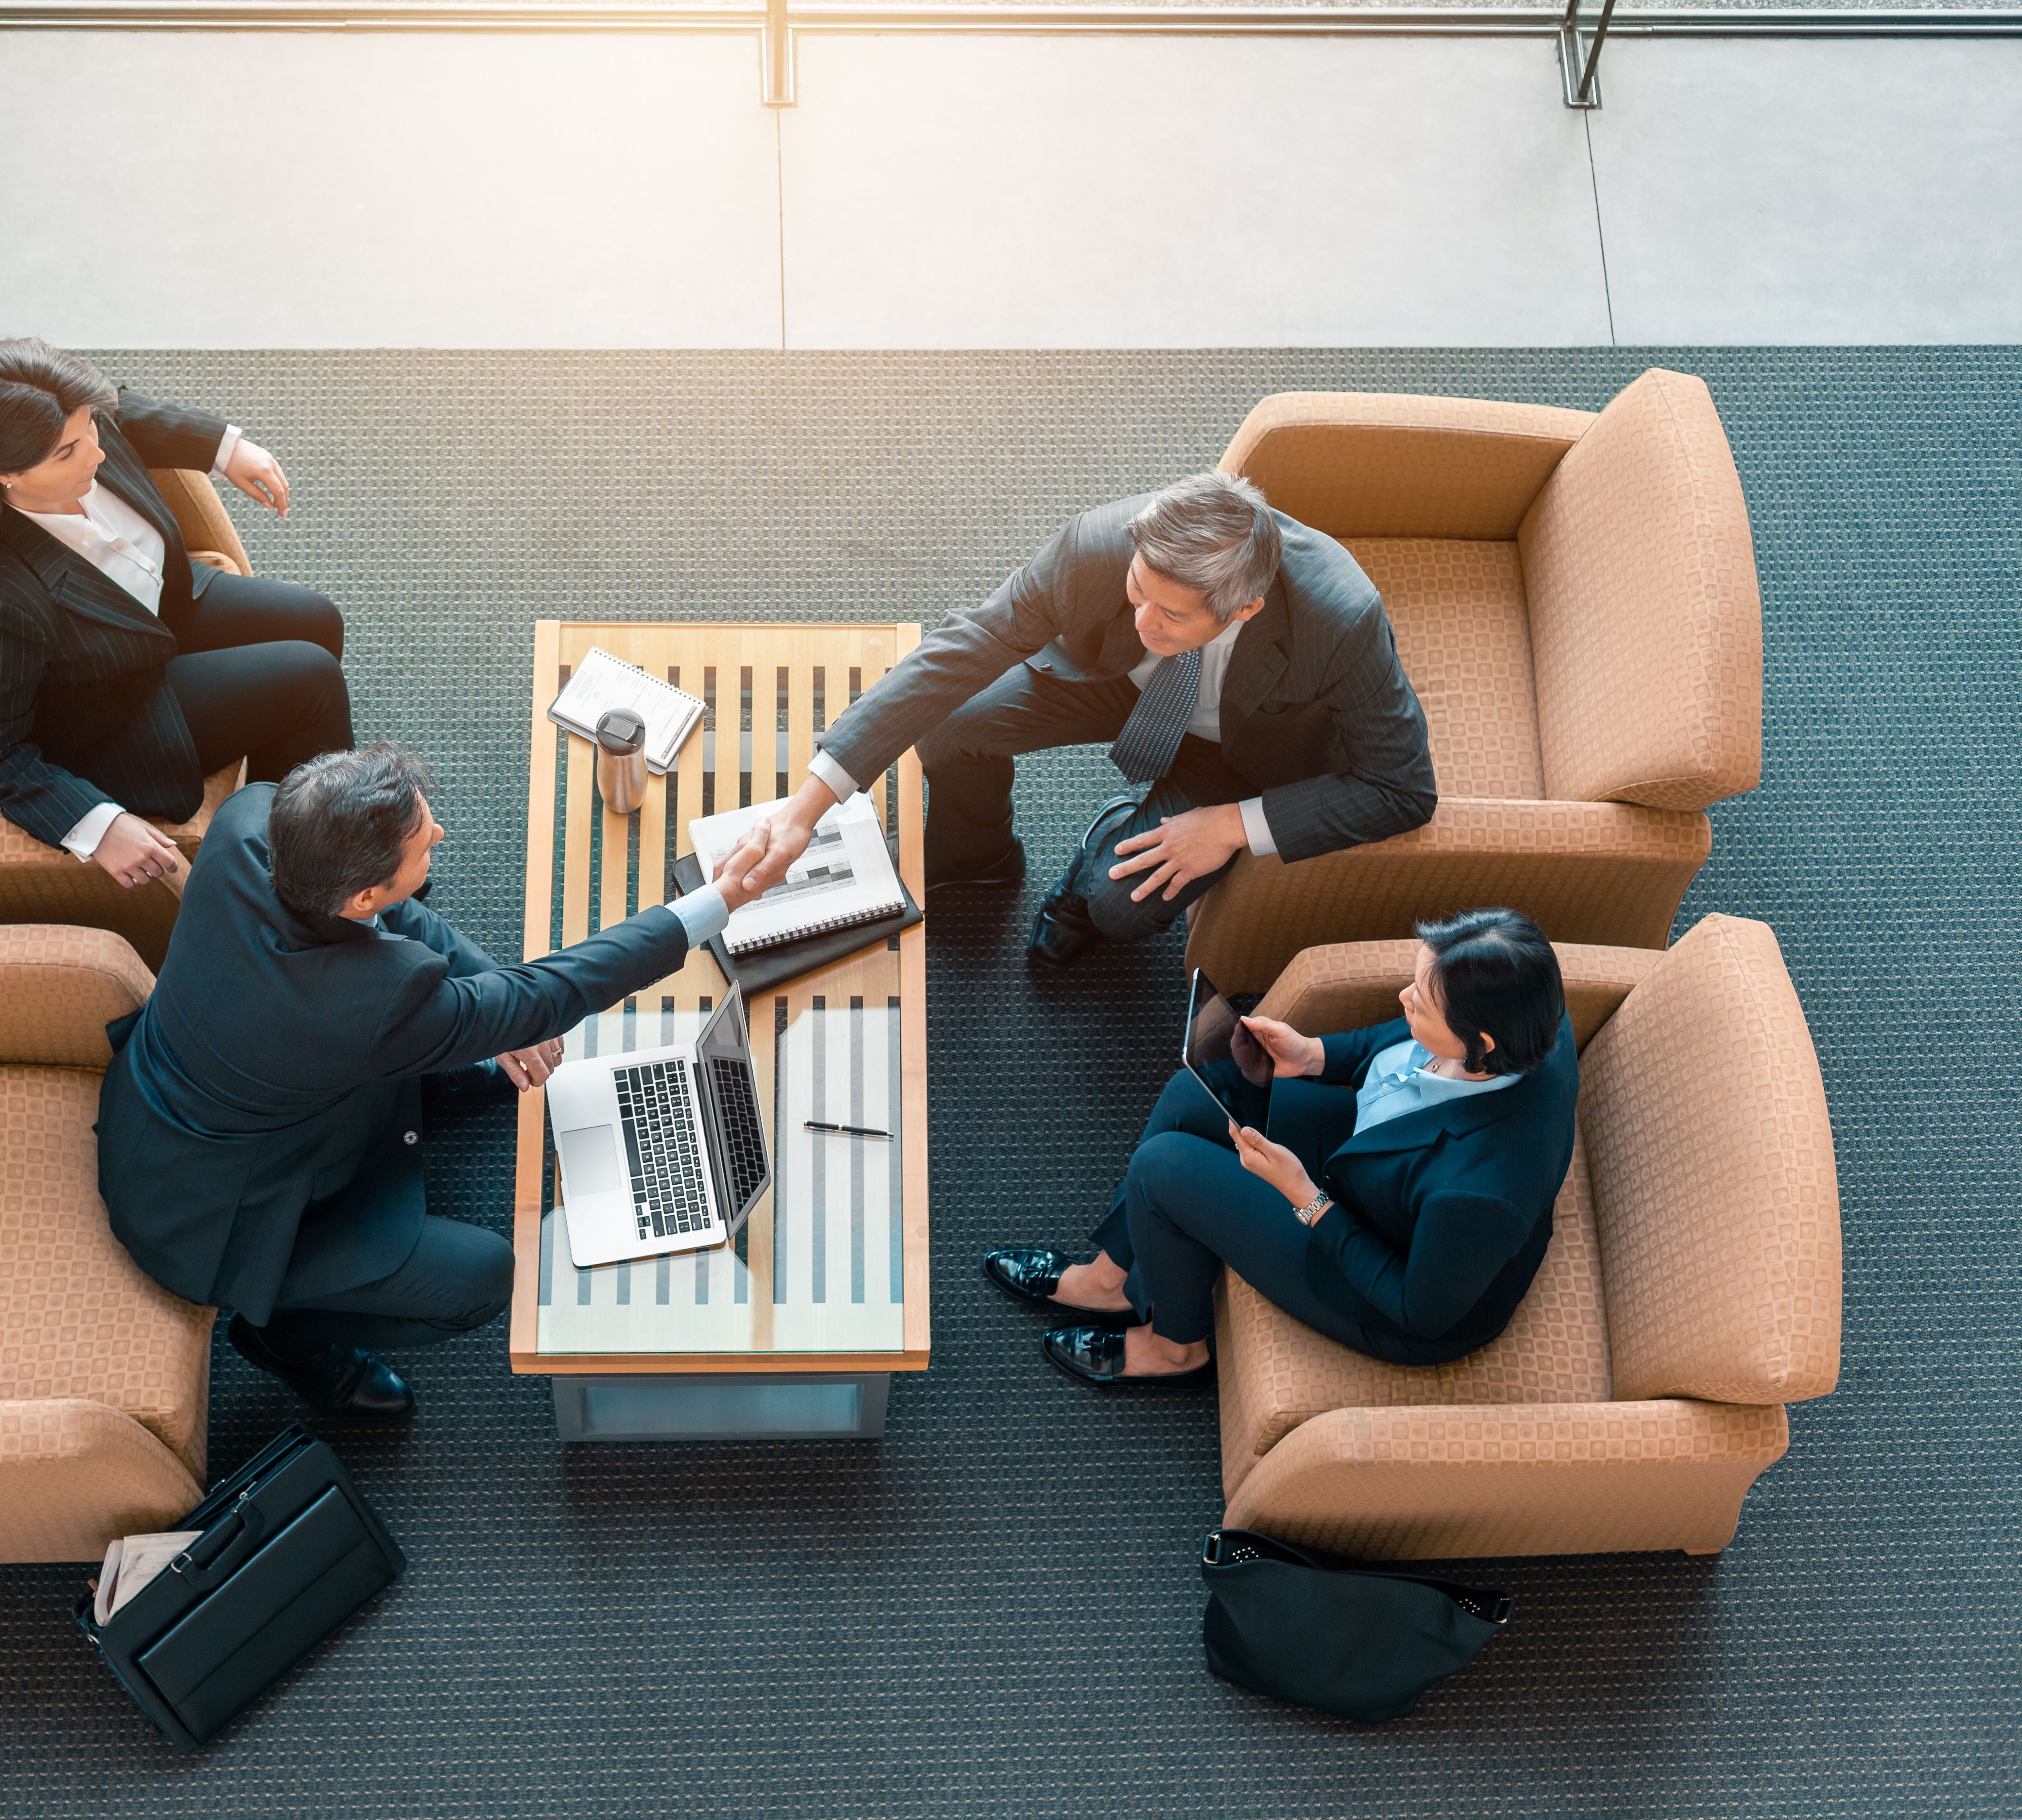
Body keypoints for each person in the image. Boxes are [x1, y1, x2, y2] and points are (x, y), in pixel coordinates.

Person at [97, 743, 764, 1420]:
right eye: (422, 847)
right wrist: (717, 902)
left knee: (471, 1039)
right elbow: (554, 991)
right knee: (481, 1278)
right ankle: (286, 1337)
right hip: (213, 1215)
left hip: (198, 1092)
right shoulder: (363, 1004)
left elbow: (397, 918)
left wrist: (497, 1013)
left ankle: (426, 1084)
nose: (441, 834)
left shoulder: (252, 822)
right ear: (361, 892)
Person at [731, 471, 1438, 966]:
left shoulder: (1339, 619)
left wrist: (1231, 826)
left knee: (1120, 907)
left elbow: (1403, 789)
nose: (1144, 620)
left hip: (1243, 751)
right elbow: (964, 646)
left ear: (1244, 609)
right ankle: (980, 860)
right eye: (1137, 591)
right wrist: (806, 809)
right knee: (952, 722)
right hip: (1119, 688)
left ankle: (1095, 867)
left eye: (1172, 613)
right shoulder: (1095, 548)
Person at [984, 909, 1576, 1382]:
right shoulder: (1527, 1005)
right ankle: (1110, 1281)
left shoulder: (1482, 1194)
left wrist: (1306, 1197)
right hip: (1383, 1156)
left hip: (1388, 1275)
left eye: (1421, 999)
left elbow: (1414, 1306)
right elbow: (1397, 1040)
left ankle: (1174, 1349)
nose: (1404, 999)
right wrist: (1314, 1054)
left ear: (1482, 1042)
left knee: (1163, 1168)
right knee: (1194, 1093)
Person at [0, 337, 353, 890]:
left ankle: (280, 816)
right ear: (3, 472)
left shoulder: (76, 427)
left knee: (318, 619)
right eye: (67, 453)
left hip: (164, 604)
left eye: (89, 429)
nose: (97, 454)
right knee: (308, 680)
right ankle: (326, 876)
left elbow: (122, 409)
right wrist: (96, 826)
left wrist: (225, 447)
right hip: (117, 701)